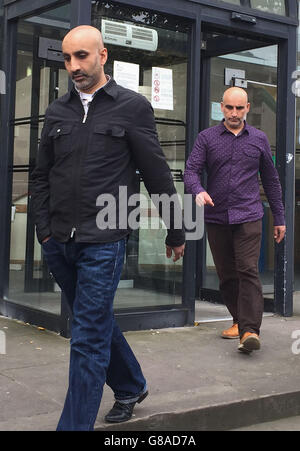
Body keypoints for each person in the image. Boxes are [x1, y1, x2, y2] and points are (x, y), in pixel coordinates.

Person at [31, 25, 185, 431]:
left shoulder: (132, 107)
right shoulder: (57, 111)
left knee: (86, 336)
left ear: (103, 54)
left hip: (105, 239)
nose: (73, 66)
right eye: (67, 58)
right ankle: (131, 384)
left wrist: (176, 229)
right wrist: (43, 229)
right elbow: (41, 175)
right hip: (59, 240)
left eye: (82, 56)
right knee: (92, 319)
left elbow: (155, 172)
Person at [184, 87, 285, 354]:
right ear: (221, 107)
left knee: (247, 270)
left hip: (249, 215)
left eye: (239, 108)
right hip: (217, 217)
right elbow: (191, 172)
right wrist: (199, 190)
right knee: (227, 276)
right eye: (229, 108)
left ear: (248, 108)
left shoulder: (259, 139)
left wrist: (280, 217)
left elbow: (272, 181)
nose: (234, 113)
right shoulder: (206, 138)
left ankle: (250, 330)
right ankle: (239, 321)